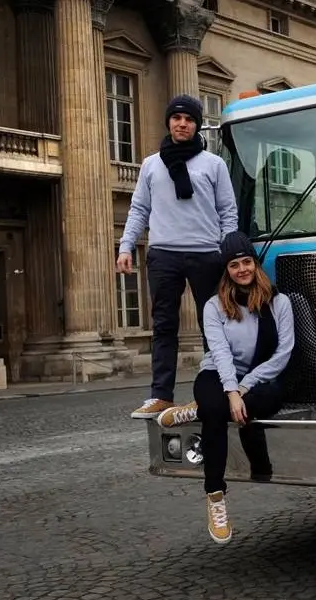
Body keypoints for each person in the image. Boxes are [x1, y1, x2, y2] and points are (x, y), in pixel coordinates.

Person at [160, 231, 294, 544]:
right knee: (217, 413)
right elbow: (219, 354)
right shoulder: (214, 306)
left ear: (255, 264)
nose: (242, 269)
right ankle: (215, 496)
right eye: (234, 265)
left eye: (247, 262)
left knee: (252, 402)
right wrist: (232, 391)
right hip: (217, 375)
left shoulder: (279, 302)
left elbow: (284, 352)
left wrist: (244, 388)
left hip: (259, 379)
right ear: (227, 271)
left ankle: (201, 408)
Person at [117, 94, 238, 419]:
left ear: (197, 125)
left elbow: (228, 211)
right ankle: (161, 395)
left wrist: (227, 250)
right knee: (164, 327)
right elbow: (139, 208)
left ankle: (219, 389)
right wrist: (126, 245)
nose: (182, 123)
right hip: (163, 254)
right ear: (169, 122)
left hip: (206, 254)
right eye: (177, 118)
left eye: (189, 119)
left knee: (213, 325)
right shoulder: (151, 165)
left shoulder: (214, 164)